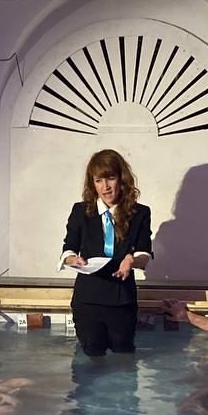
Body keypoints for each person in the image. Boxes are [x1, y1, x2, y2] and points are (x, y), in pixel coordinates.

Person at [60, 149, 153, 357]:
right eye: (98, 180)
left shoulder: (140, 213)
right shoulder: (80, 211)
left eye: (111, 178)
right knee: (92, 360)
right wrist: (72, 259)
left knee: (124, 357)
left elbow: (145, 255)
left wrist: (131, 259)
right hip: (87, 300)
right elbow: (67, 249)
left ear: (122, 179)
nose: (105, 187)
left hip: (122, 300)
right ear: (92, 183)